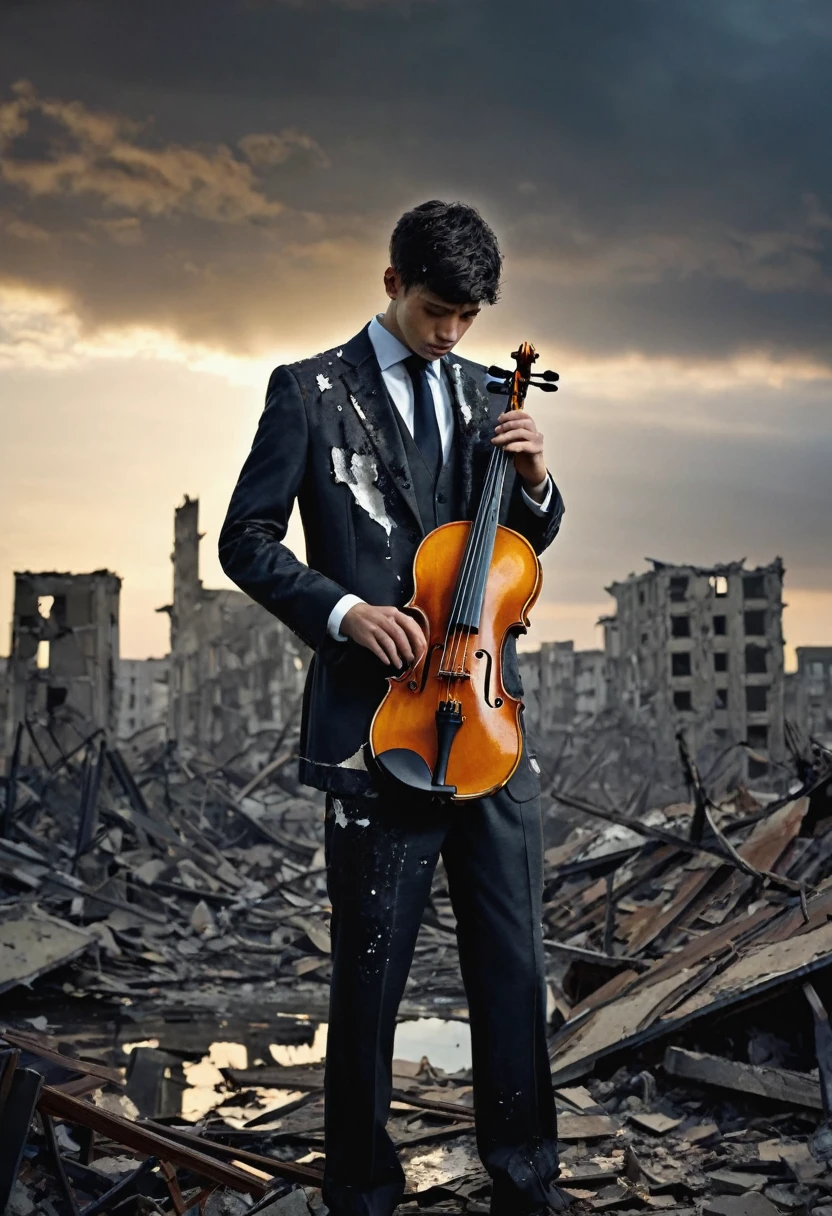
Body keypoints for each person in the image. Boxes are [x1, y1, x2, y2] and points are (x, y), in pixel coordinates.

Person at [219, 200, 568, 1216]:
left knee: (512, 969)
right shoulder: (307, 391)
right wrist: (341, 612)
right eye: (434, 310)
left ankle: (527, 1184)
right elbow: (246, 540)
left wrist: (537, 479)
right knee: (368, 983)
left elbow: (510, 556)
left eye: (466, 315)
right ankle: (362, 1195)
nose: (451, 332)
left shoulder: (481, 393)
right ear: (390, 284)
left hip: (489, 733)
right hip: (378, 737)